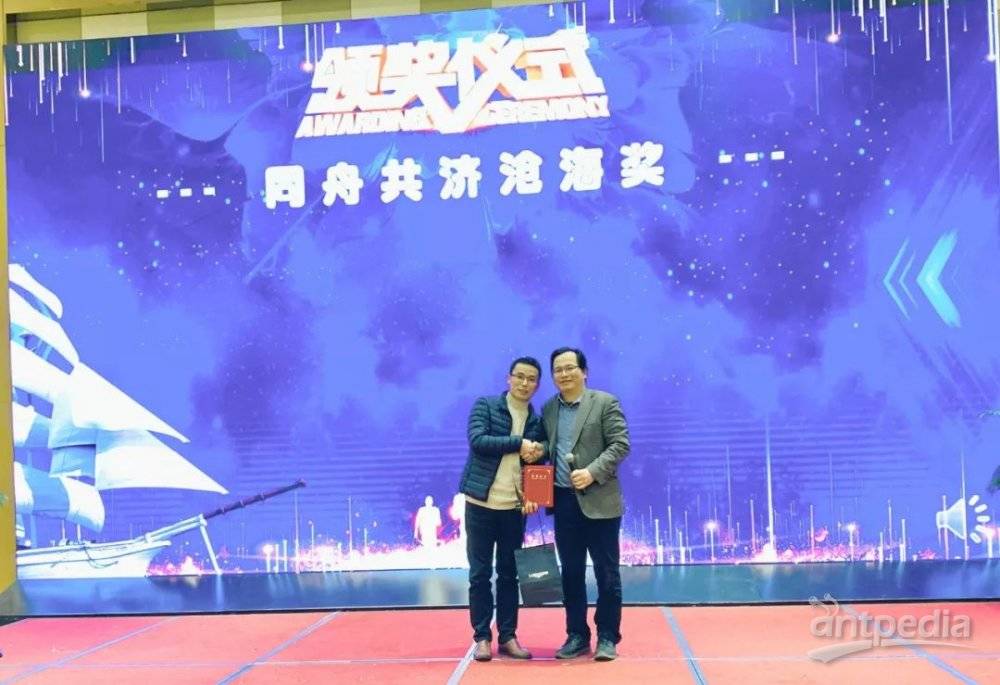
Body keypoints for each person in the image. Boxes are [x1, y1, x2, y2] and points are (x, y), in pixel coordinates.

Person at [542, 347, 630, 662]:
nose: (564, 374)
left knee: (607, 573)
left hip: (600, 501)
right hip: (563, 502)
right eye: (558, 369)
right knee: (571, 573)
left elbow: (620, 444)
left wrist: (591, 472)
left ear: (584, 372)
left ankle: (607, 636)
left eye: (570, 368)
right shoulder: (549, 408)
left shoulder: (604, 402)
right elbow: (547, 448)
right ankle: (577, 635)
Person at [458, 356, 546, 662]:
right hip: (480, 504)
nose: (524, 383)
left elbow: (540, 460)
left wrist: (535, 493)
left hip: (514, 509)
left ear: (537, 385)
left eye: (531, 379)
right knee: (479, 574)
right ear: (509, 378)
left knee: (509, 575)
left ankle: (508, 636)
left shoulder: (537, 420)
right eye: (519, 376)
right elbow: (478, 440)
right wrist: (519, 443)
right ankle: (482, 637)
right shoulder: (486, 406)